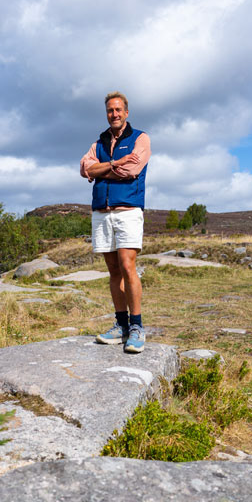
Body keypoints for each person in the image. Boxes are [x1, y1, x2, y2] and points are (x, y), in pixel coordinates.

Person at [79, 91, 151, 353]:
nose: (114, 114)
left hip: (127, 210)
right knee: (113, 270)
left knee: (127, 265)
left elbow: (132, 169)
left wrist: (102, 167)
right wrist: (115, 162)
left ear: (126, 112)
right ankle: (121, 325)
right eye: (110, 110)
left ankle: (137, 326)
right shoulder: (99, 141)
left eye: (119, 110)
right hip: (102, 212)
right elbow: (85, 168)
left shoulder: (140, 138)